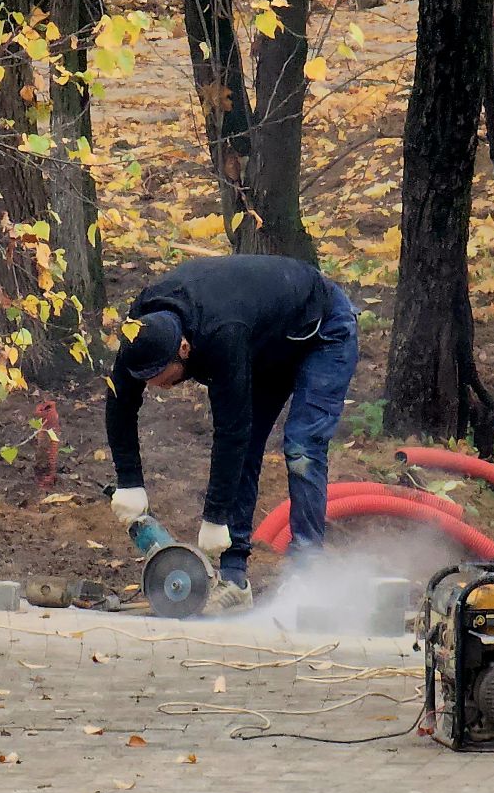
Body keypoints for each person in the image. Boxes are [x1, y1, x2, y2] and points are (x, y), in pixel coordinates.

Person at [105, 253, 359, 612]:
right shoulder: (140, 330)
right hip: (264, 338)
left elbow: (231, 432)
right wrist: (128, 480)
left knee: (302, 446)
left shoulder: (222, 333)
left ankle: (307, 576)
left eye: (159, 375)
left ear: (183, 348)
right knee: (250, 446)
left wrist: (215, 518)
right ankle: (235, 582)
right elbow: (119, 401)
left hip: (320, 330)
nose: (154, 385)